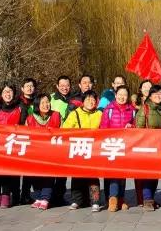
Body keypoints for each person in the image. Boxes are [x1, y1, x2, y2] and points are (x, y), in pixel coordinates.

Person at [0, 83, 28, 208]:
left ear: (14, 93)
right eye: (5, 91)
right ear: (1, 93)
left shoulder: (20, 107)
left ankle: (6, 195)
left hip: (12, 143)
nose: (7, 94)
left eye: (10, 91)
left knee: (8, 170)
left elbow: (24, 125)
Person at [62, 89, 103, 212]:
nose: (91, 102)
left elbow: (105, 128)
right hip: (79, 147)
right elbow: (65, 129)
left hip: (94, 149)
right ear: (83, 101)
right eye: (88, 99)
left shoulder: (100, 114)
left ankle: (95, 201)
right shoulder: (75, 114)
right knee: (77, 175)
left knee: (93, 176)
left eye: (93, 99)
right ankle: (76, 200)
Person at [99, 85, 136, 212]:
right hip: (111, 145)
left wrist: (131, 127)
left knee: (122, 174)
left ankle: (120, 198)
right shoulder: (108, 109)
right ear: (115, 95)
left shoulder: (132, 110)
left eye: (125, 94)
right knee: (114, 173)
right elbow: (103, 127)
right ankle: (113, 198)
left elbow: (136, 126)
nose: (122, 97)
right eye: (120, 94)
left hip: (125, 146)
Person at [135, 85, 161, 211]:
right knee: (148, 173)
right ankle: (147, 199)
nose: (158, 96)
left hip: (159, 146)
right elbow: (138, 128)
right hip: (147, 146)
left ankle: (151, 198)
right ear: (150, 96)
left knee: (155, 173)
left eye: (160, 94)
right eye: (155, 94)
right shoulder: (145, 108)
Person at [25, 93, 62, 210]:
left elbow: (63, 132)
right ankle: (38, 197)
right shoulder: (30, 119)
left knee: (49, 175)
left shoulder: (56, 115)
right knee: (35, 176)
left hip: (51, 153)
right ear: (37, 104)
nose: (46, 105)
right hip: (35, 153)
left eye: (47, 102)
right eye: (43, 103)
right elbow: (25, 135)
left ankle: (45, 198)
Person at [49, 75, 72, 205]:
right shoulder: (51, 98)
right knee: (52, 169)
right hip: (54, 138)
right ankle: (49, 195)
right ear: (57, 86)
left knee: (63, 169)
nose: (64, 88)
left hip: (67, 138)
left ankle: (59, 195)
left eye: (67, 85)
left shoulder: (73, 99)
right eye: (62, 85)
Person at [17, 77, 37, 205]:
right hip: (21, 137)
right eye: (27, 86)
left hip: (34, 139)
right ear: (22, 88)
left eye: (32, 86)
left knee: (30, 169)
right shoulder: (18, 102)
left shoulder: (37, 101)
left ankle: (26, 194)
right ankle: (17, 194)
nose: (29, 88)